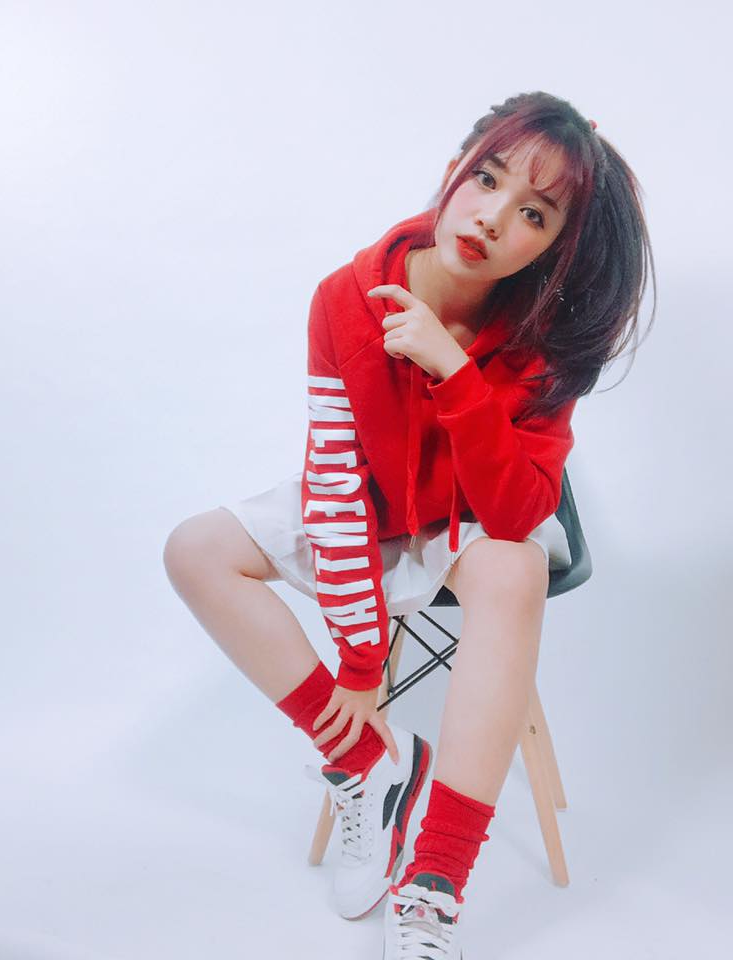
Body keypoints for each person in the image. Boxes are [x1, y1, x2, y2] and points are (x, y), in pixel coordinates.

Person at [163, 90, 655, 959]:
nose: (493, 216)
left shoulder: (549, 334)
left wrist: (451, 368)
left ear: (554, 244)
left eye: (534, 214)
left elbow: (515, 512)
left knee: (513, 565)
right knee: (195, 549)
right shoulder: (345, 298)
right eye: (489, 179)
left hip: (472, 510)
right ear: (456, 168)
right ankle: (368, 766)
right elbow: (335, 483)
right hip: (373, 499)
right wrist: (359, 667)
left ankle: (434, 884)